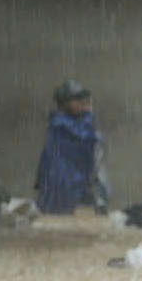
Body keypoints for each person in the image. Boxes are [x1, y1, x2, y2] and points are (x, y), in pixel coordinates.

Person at [35, 79, 108, 215]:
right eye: (77, 99)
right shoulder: (58, 123)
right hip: (58, 186)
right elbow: (84, 135)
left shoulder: (78, 122)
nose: (82, 102)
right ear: (65, 103)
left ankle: (100, 201)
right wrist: (89, 114)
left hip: (75, 185)